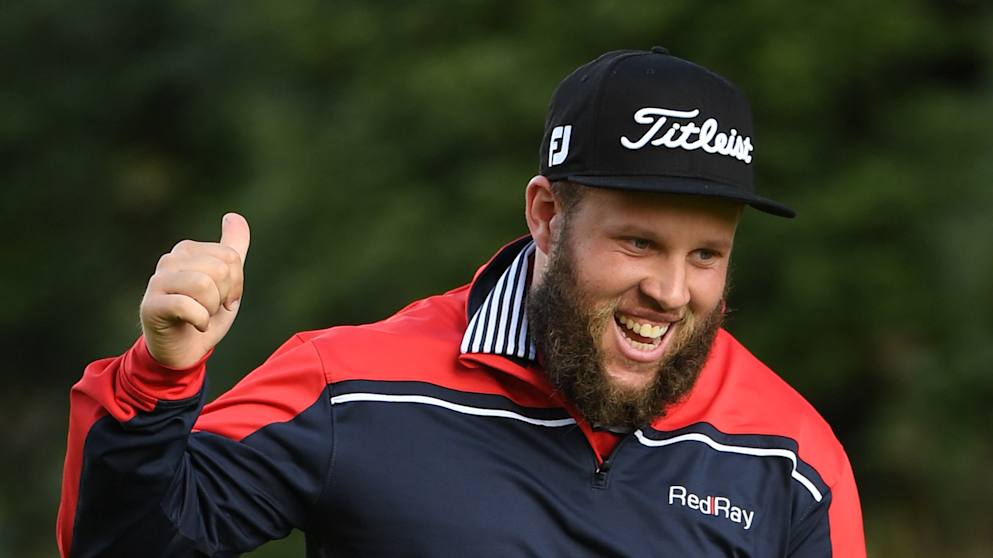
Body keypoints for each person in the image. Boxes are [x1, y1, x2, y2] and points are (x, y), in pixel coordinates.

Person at [58, 47, 866, 557]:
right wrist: (158, 377)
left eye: (706, 255)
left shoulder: (790, 457)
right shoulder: (348, 387)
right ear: (546, 215)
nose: (670, 290)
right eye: (637, 243)